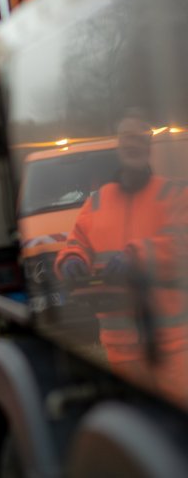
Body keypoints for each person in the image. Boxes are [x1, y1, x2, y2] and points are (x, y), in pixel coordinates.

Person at [55, 114, 188, 403]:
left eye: (139, 138)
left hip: (172, 347)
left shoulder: (173, 194)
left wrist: (136, 255)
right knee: (137, 421)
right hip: (120, 348)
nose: (132, 144)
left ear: (149, 146)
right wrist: (71, 260)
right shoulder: (99, 201)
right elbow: (76, 242)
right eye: (127, 137)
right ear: (118, 145)